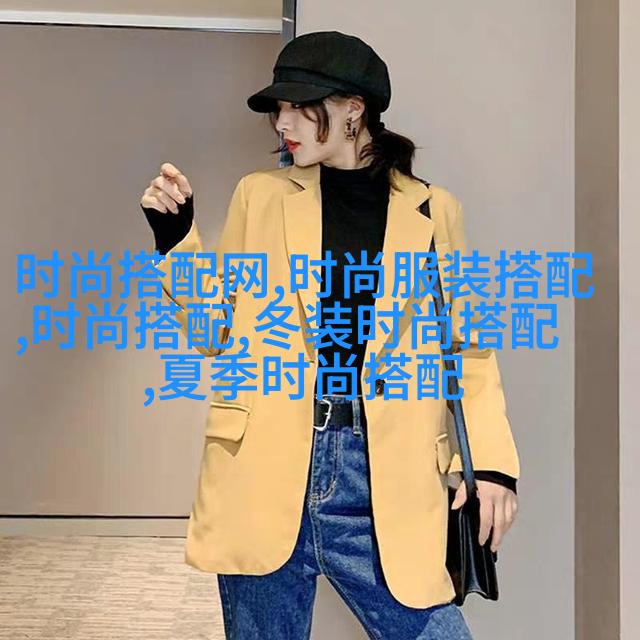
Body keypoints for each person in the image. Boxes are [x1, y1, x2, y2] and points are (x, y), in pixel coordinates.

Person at [140, 30, 519, 640]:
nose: (282, 123)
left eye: (299, 106)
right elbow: (217, 331)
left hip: (383, 475)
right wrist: (176, 241)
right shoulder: (261, 196)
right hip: (264, 469)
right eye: (278, 108)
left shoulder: (433, 210)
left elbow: (469, 349)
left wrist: (494, 468)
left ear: (353, 110)